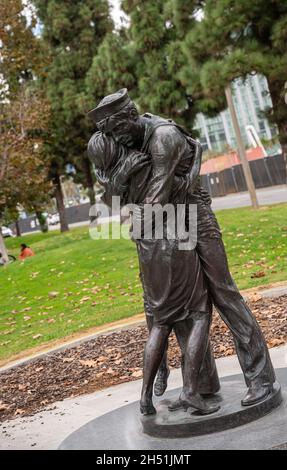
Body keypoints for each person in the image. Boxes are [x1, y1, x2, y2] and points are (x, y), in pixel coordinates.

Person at [88, 88, 276, 407]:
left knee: (223, 292)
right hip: (167, 222)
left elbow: (154, 197)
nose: (117, 142)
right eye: (111, 135)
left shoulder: (162, 137)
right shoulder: (125, 142)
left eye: (118, 132)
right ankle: (201, 387)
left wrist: (135, 223)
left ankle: (261, 378)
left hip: (194, 216)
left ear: (129, 119)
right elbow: (114, 196)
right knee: (185, 305)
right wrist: (121, 177)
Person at [88, 131, 220, 416]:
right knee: (199, 313)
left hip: (146, 251)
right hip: (174, 241)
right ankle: (191, 392)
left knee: (160, 322)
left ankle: (145, 397)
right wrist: (197, 155)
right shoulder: (144, 163)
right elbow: (183, 186)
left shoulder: (112, 178)